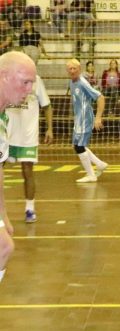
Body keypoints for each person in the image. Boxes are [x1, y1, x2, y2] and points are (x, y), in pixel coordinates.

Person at [0, 51, 36, 317]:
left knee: (4, 246)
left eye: (32, 83)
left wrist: (3, 216)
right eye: (24, 82)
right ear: (4, 77)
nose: (29, 90)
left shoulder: (3, 118)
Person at [6, 62, 53, 223]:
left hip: (28, 135)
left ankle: (30, 209)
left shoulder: (36, 80)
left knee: (27, 171)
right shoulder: (5, 79)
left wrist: (49, 129)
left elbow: (46, 106)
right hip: (7, 134)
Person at [66, 58, 107, 183]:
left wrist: (98, 117)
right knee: (77, 145)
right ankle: (99, 164)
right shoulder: (72, 82)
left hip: (85, 118)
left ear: (79, 69)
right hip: (78, 118)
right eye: (70, 69)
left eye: (75, 68)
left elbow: (100, 97)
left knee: (79, 146)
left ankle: (91, 175)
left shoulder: (83, 83)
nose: (72, 71)